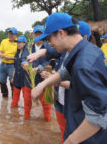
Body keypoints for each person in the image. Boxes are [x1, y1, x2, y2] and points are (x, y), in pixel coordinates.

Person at [31, 13, 107, 144]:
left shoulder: (84, 65)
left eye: (50, 39)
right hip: (76, 120)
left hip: (87, 137)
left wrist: (70, 141)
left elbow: (97, 118)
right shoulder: (83, 49)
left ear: (61, 33)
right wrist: (41, 85)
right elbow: (64, 71)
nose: (50, 44)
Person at [31, 25, 52, 122]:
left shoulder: (48, 46)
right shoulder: (30, 46)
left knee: (46, 101)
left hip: (45, 76)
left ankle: (47, 119)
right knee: (32, 98)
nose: (38, 36)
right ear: (33, 35)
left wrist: (39, 68)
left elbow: (49, 61)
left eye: (40, 34)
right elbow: (26, 58)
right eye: (36, 34)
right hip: (33, 78)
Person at [11, 35, 31, 119]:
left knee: (26, 99)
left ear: (24, 43)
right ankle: (13, 113)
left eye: (20, 42)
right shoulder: (17, 53)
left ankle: (27, 117)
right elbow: (15, 67)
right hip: (17, 78)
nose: (18, 44)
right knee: (15, 96)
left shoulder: (28, 53)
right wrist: (13, 77)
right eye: (17, 42)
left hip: (25, 79)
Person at [0, 27, 17, 97]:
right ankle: (5, 96)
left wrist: (11, 58)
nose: (10, 35)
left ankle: (14, 98)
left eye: (12, 34)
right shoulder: (4, 41)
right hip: (3, 64)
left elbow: (19, 56)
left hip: (12, 65)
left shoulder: (18, 43)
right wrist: (2, 56)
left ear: (16, 35)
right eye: (9, 33)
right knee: (2, 81)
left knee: (13, 81)